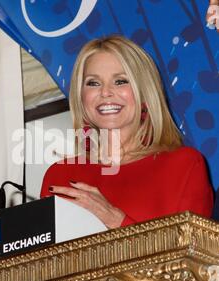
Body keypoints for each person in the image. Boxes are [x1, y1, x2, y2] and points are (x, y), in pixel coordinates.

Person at [40, 35, 213, 229]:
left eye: (121, 81)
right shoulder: (60, 175)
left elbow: (192, 256)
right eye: (93, 83)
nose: (105, 92)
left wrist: (115, 220)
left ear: (145, 92)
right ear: (80, 97)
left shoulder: (184, 165)